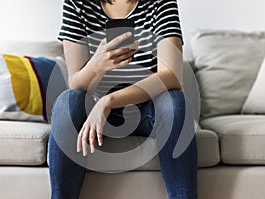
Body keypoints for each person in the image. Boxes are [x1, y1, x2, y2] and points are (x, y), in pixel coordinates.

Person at [48, 0, 198, 198]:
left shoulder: (161, 2)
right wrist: (97, 65)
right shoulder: (77, 4)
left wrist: (108, 101)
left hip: (148, 110)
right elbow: (76, 83)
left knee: (174, 101)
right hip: (96, 116)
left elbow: (171, 76)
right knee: (68, 101)